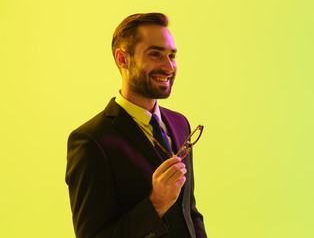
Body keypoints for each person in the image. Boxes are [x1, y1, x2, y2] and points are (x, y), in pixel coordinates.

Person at [65, 13, 207, 238]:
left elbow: (189, 212)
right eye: (155, 54)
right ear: (123, 59)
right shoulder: (90, 141)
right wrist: (156, 204)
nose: (169, 66)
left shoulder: (180, 124)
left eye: (171, 55)